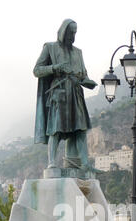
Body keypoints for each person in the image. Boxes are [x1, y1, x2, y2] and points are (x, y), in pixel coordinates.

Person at [33, 19, 97, 170]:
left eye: (75, 32)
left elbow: (83, 76)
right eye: (70, 32)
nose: (72, 36)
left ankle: (85, 164)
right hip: (59, 95)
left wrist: (88, 82)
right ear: (63, 31)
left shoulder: (78, 53)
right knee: (56, 129)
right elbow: (37, 70)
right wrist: (56, 68)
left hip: (76, 94)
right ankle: (52, 163)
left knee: (80, 130)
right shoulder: (50, 47)